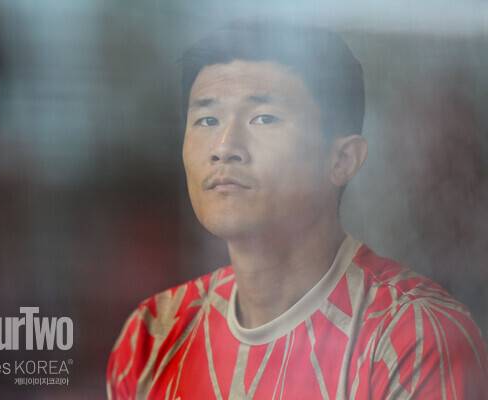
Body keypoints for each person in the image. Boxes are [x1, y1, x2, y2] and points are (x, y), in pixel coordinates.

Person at [107, 21, 488, 399]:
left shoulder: (412, 337)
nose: (224, 146)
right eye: (207, 120)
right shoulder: (153, 337)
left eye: (264, 118)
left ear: (342, 160)